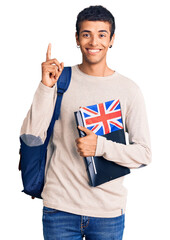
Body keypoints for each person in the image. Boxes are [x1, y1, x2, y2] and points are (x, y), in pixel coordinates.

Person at [20, 5, 152, 240]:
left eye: (102, 34)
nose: (94, 42)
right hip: (60, 208)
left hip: (107, 212)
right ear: (77, 38)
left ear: (112, 40)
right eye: (86, 34)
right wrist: (45, 87)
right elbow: (32, 135)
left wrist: (100, 147)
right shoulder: (60, 79)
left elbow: (143, 154)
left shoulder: (129, 90)